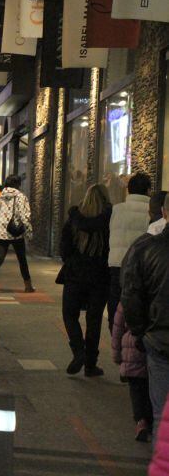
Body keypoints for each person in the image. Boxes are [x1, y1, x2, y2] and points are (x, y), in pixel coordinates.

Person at [122, 193, 169, 440]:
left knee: (162, 415)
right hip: (157, 339)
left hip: (159, 341)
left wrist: (140, 332)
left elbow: (131, 295)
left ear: (164, 213)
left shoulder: (146, 249)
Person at [58, 184, 112, 376]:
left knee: (70, 314)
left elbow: (64, 247)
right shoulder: (109, 219)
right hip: (100, 275)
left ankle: (78, 351)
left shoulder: (75, 218)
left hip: (75, 274)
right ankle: (90, 363)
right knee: (94, 319)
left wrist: (71, 261)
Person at [107, 173, 152, 334]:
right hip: (140, 266)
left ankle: (115, 334)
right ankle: (132, 337)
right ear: (148, 190)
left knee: (115, 300)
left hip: (116, 263)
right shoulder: (151, 212)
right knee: (136, 303)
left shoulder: (116, 209)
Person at [112, 302, 153, 442]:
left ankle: (140, 421)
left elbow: (117, 328)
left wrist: (117, 355)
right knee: (151, 389)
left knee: (136, 390)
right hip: (153, 348)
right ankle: (151, 421)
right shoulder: (159, 292)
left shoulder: (128, 297)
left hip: (132, 351)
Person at [0, 175, 34, 293]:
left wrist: (1, 227)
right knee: (22, 260)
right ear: (18, 184)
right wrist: (29, 233)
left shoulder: (0, 198)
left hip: (1, 234)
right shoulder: (21, 197)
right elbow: (25, 216)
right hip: (16, 233)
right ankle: (28, 286)